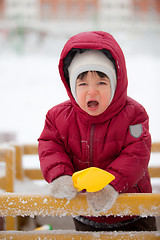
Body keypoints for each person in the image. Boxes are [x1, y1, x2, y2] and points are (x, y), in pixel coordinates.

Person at [38, 31, 157, 231]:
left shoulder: (134, 114)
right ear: (72, 86)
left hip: (133, 213)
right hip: (86, 215)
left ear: (116, 83)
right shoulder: (57, 118)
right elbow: (50, 147)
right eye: (83, 83)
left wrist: (110, 186)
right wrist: (60, 176)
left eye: (102, 82)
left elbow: (136, 154)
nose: (92, 91)